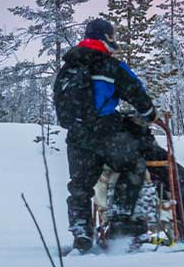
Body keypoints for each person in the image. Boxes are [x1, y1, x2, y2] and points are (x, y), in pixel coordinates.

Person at [54, 19, 158, 252]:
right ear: (106, 37)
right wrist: (149, 114)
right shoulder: (110, 65)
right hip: (107, 133)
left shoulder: (69, 66)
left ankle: (81, 230)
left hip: (77, 136)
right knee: (134, 166)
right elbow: (136, 92)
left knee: (79, 186)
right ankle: (121, 219)